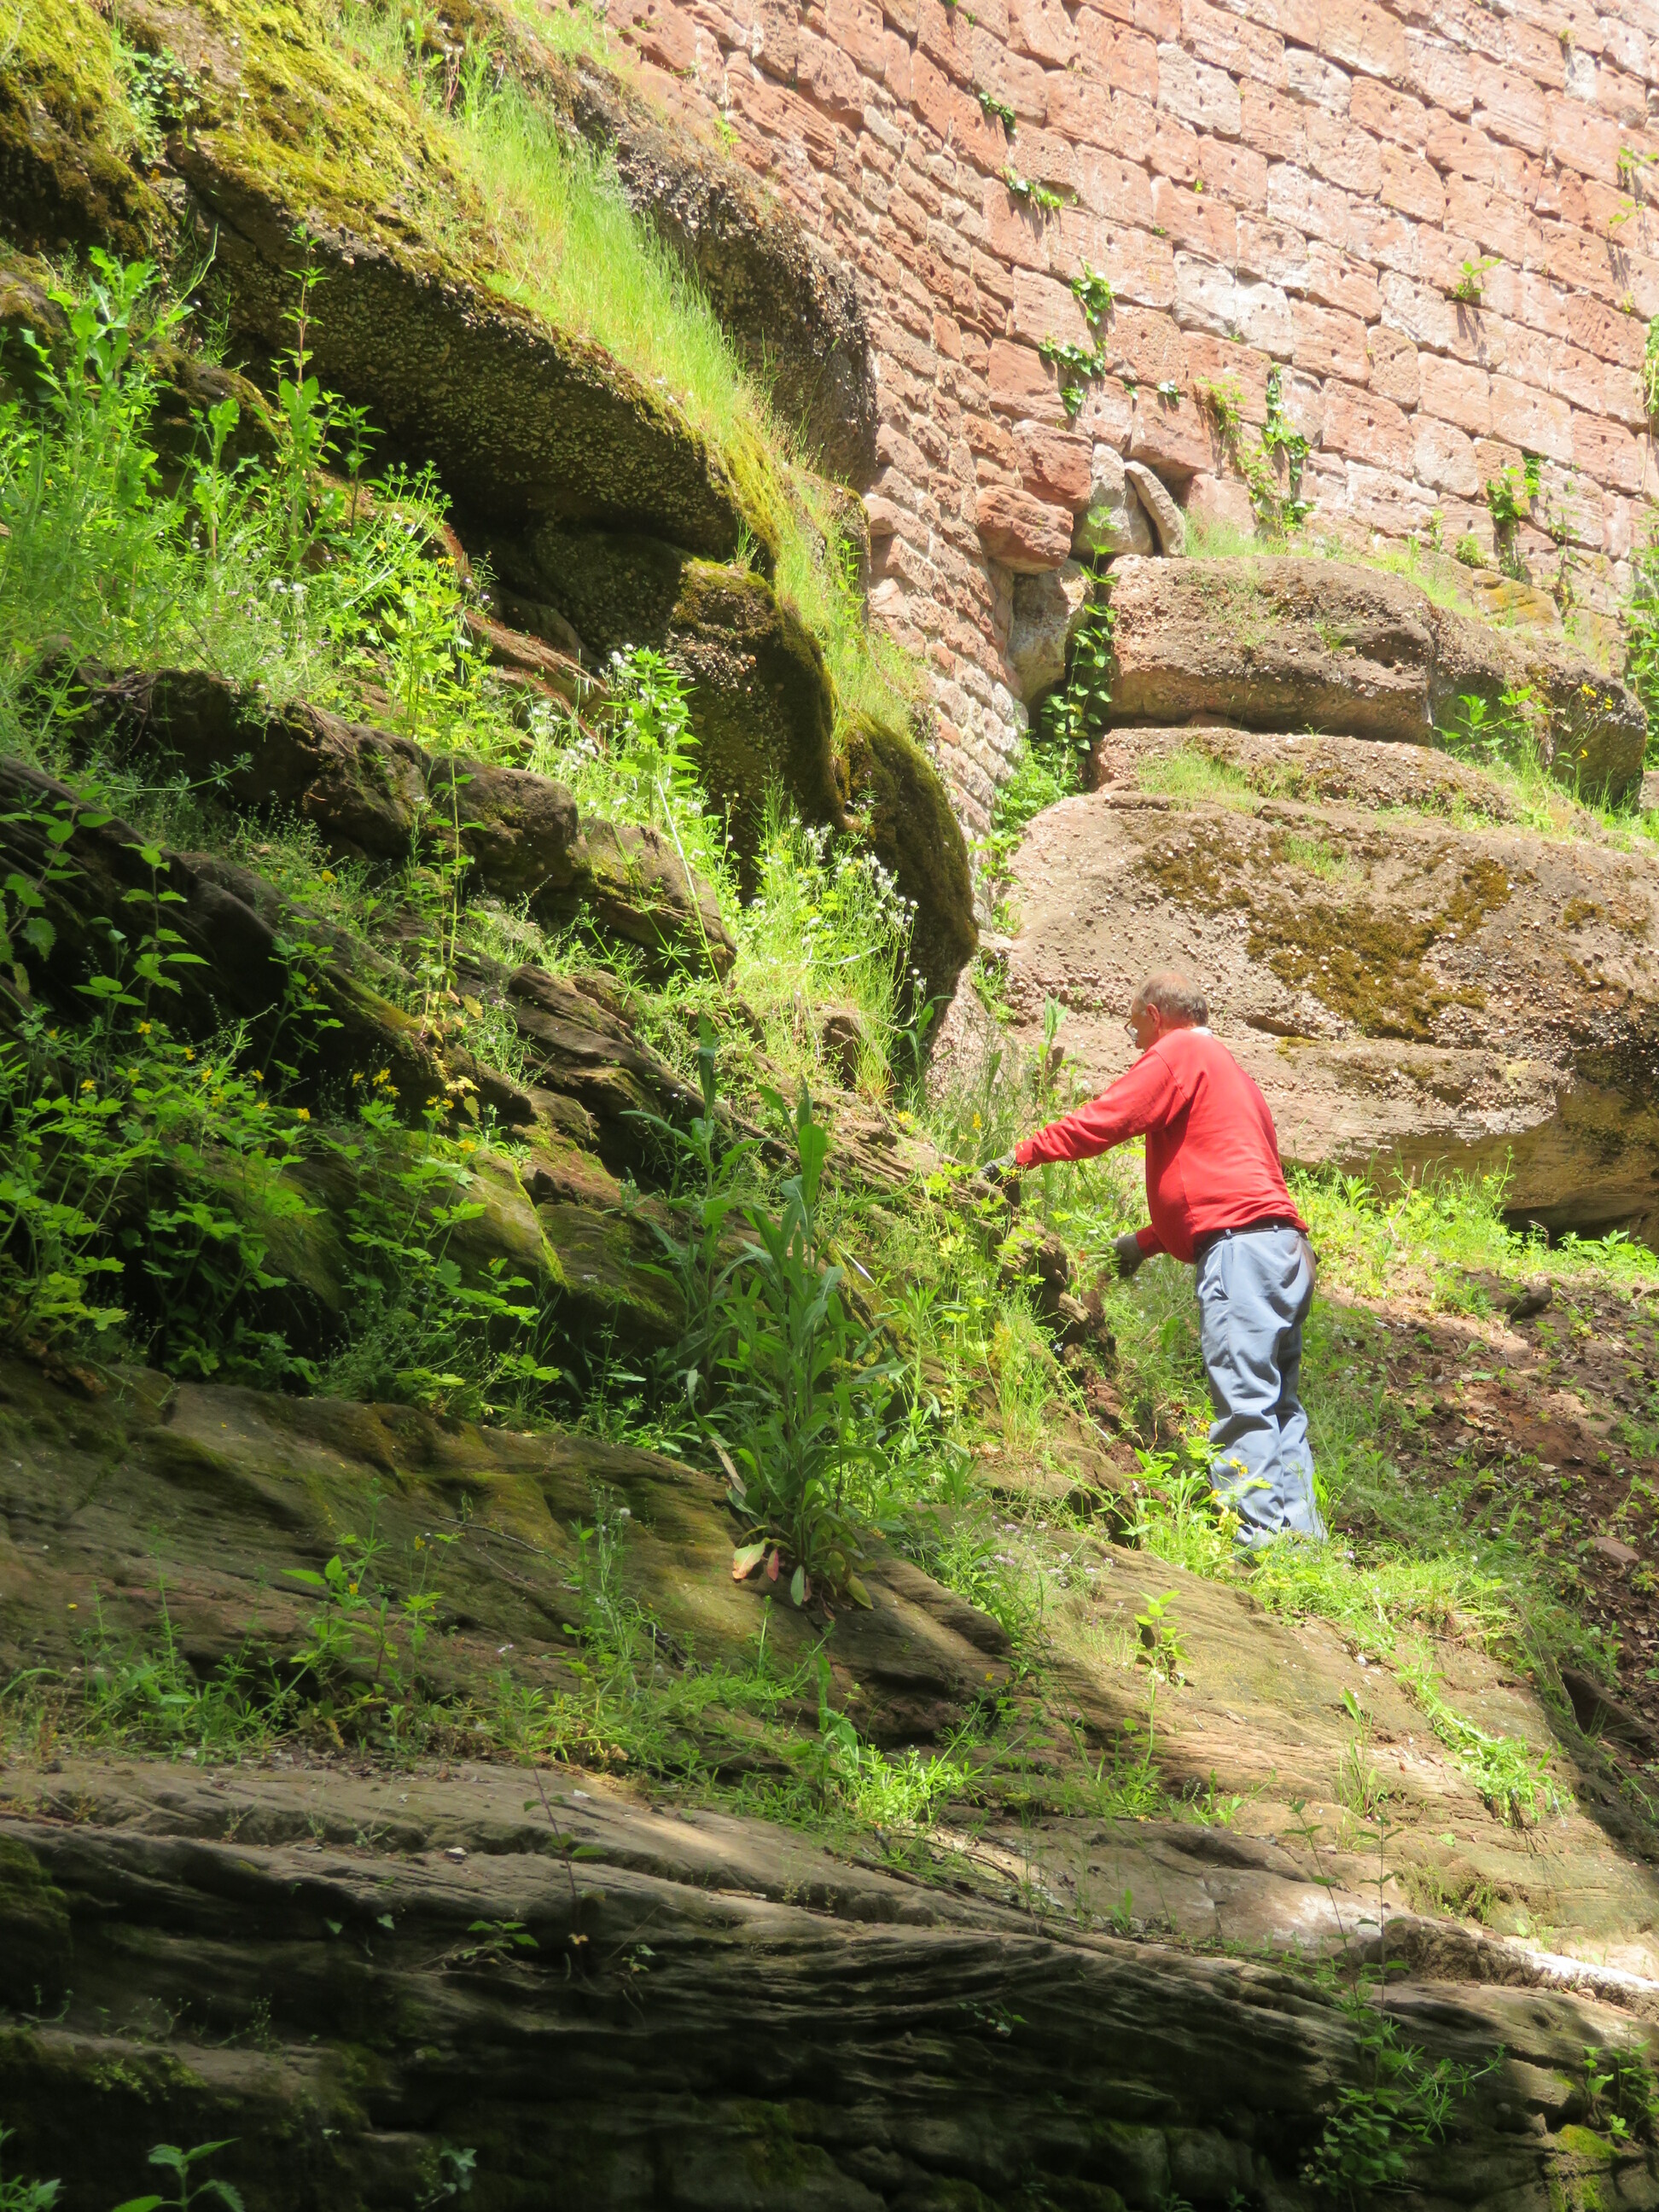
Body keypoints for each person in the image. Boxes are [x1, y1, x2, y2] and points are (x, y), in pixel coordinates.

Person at [990, 970, 1324, 1550]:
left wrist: (1023, 1154)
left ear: (1154, 1016)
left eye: (1133, 1029)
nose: (1136, 1043)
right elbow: (1224, 1180)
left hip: (1242, 1254)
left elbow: (1109, 1119)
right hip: (1285, 1251)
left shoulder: (1178, 1052)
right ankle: (1300, 1541)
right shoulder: (1234, 1076)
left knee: (1245, 1400)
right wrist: (1146, 1243)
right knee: (1279, 1404)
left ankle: (1260, 1544)